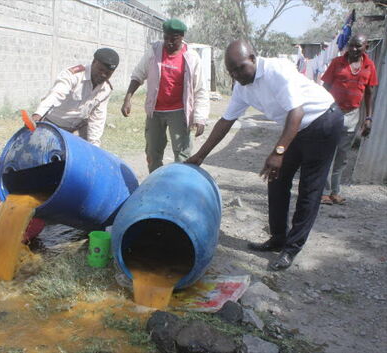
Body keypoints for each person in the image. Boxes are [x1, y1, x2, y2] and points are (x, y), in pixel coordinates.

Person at [186, 40, 343, 271]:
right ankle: (278, 237)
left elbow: (296, 112)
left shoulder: (276, 70)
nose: (237, 74)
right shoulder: (242, 87)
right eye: (232, 71)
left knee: (309, 189)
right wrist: (200, 155)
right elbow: (225, 121)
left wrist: (278, 151)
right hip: (296, 127)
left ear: (253, 57)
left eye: (241, 68)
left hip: (323, 122)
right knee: (276, 178)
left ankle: (291, 248)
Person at [121, 18, 209, 173]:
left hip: (179, 112)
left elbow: (200, 89)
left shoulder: (192, 57)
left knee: (182, 154)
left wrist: (200, 118)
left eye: (173, 39)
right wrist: (128, 98)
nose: (168, 42)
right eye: (166, 37)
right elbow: (138, 75)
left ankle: (180, 186)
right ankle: (156, 184)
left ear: (182, 37)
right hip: (155, 111)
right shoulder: (154, 52)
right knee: (153, 153)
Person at [320, 34, 378, 205]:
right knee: (327, 153)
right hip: (333, 111)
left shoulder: (369, 66)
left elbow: (369, 93)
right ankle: (323, 191)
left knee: (342, 155)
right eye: (351, 45)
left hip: (353, 114)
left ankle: (335, 192)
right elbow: (325, 88)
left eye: (357, 46)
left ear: (365, 47)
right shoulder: (337, 62)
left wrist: (368, 117)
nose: (353, 49)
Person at [31, 47, 120, 147]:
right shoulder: (74, 76)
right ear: (94, 62)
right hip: (53, 124)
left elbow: (97, 118)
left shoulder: (106, 89)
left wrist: (94, 147)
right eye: (101, 70)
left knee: (83, 154)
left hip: (76, 128)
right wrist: (38, 114)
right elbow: (56, 94)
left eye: (108, 73)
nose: (103, 75)